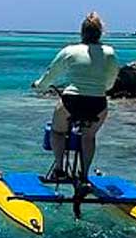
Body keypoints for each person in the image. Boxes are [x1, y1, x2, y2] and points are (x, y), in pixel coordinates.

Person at [31, 12, 119, 182]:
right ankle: (85, 176)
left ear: (82, 32)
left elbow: (51, 73)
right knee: (89, 136)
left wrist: (39, 85)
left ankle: (59, 169)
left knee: (57, 131)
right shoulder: (109, 52)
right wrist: (102, 88)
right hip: (97, 102)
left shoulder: (70, 50)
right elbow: (111, 78)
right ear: (100, 33)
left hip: (72, 101)